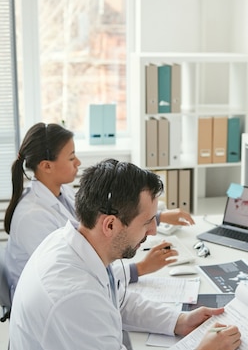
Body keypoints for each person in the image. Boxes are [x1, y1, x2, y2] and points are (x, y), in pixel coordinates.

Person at [0, 160, 241, 350]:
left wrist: (178, 321)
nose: (153, 231)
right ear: (110, 224)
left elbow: (117, 298)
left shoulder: (77, 243)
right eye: (147, 221)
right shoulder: (70, 293)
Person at [4, 122, 194, 296]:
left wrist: (156, 217)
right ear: (46, 166)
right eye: (71, 158)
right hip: (52, 297)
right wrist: (141, 268)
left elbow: (96, 220)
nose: (78, 162)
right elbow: (74, 270)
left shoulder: (62, 192)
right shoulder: (32, 217)